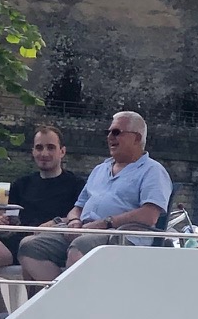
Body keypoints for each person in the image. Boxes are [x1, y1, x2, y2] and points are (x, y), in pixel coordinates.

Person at [19, 111, 173, 284]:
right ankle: (66, 300)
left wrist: (105, 223)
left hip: (121, 238)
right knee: (29, 246)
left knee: (81, 247)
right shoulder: (100, 169)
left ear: (136, 138)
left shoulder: (153, 171)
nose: (109, 137)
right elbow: (78, 207)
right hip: (85, 230)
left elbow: (149, 215)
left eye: (116, 132)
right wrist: (74, 221)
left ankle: (71, 303)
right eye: (108, 132)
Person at [0, 123, 84, 289]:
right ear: (33, 152)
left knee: (30, 250)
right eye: (39, 148)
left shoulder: (77, 185)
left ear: (62, 152)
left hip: (50, 245)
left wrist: (56, 222)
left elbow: (81, 215)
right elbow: (7, 215)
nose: (44, 153)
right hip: (16, 241)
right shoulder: (21, 184)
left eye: (51, 147)